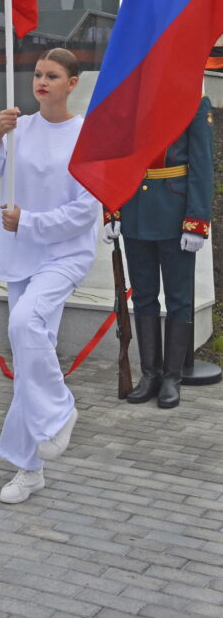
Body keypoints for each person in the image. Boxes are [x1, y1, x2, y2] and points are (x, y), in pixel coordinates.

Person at [0, 48, 99, 504]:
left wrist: (32, 223)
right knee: (27, 358)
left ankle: (61, 410)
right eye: (38, 74)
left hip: (63, 254)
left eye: (53, 75)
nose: (42, 81)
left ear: (72, 83)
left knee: (25, 326)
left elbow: (86, 210)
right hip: (21, 258)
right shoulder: (18, 129)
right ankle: (29, 468)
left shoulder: (86, 135)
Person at [103, 97, 213, 409]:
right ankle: (150, 374)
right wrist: (112, 211)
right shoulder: (127, 103)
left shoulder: (191, 103)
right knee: (144, 297)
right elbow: (115, 161)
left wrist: (196, 221)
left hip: (175, 213)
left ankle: (172, 378)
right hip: (135, 209)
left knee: (179, 299)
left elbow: (202, 165)